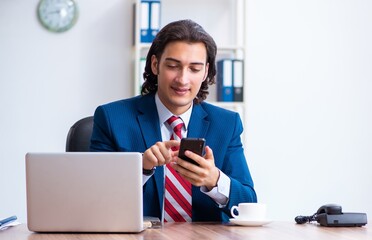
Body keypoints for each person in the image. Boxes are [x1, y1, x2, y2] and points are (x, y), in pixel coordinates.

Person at [90, 19, 257, 223]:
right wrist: (140, 168)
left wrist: (214, 180)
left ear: (205, 72)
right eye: (172, 66)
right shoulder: (112, 118)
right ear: (155, 65)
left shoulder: (227, 124)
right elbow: (93, 198)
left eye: (194, 69)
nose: (182, 79)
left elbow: (249, 203)